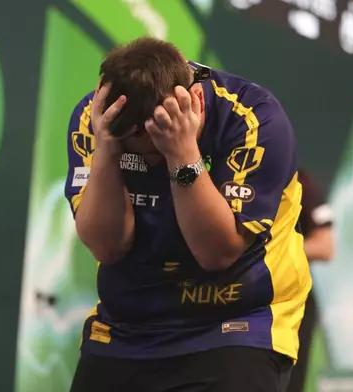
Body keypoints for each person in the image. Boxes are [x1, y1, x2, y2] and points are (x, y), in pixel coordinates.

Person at [64, 37, 311, 392]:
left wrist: (181, 155)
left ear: (193, 102)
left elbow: (217, 252)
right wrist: (106, 149)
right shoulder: (98, 118)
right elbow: (107, 247)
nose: (149, 163)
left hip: (236, 320)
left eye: (154, 152)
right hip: (129, 323)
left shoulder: (254, 118)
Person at [286, 170, 334, 392]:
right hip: (238, 297)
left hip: (293, 301)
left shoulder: (299, 179)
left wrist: (272, 250)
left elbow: (325, 247)